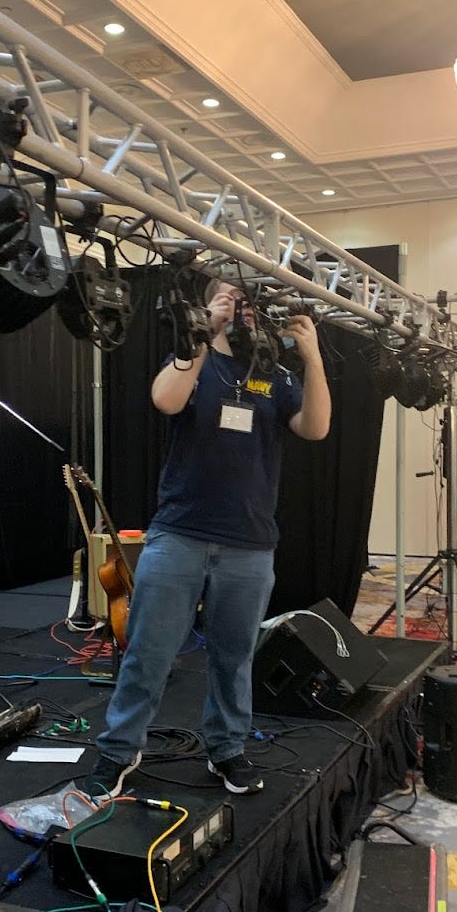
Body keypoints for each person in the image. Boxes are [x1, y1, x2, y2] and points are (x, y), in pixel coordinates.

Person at [87, 278, 331, 797]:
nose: (244, 308)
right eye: (232, 297)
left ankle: (226, 749)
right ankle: (118, 751)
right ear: (211, 302)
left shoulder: (275, 374)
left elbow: (315, 428)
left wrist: (312, 358)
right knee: (149, 651)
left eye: (250, 300)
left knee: (234, 656)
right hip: (180, 534)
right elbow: (165, 399)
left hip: (250, 543)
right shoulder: (193, 359)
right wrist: (202, 334)